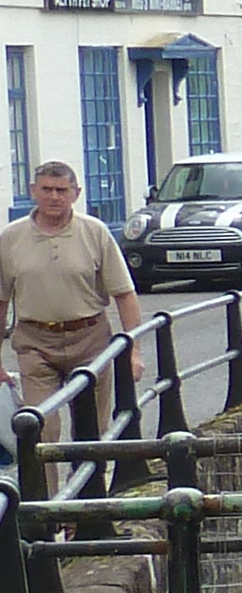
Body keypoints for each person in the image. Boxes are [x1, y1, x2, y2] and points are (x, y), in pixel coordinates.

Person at [0, 160, 140, 416]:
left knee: (92, 429)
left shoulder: (95, 232)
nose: (54, 197)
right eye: (46, 189)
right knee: (40, 426)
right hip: (35, 342)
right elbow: (1, 301)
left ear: (76, 194)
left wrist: (133, 352)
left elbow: (124, 293)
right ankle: (46, 456)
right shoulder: (10, 237)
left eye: (62, 190)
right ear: (33, 190)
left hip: (89, 339)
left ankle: (90, 457)